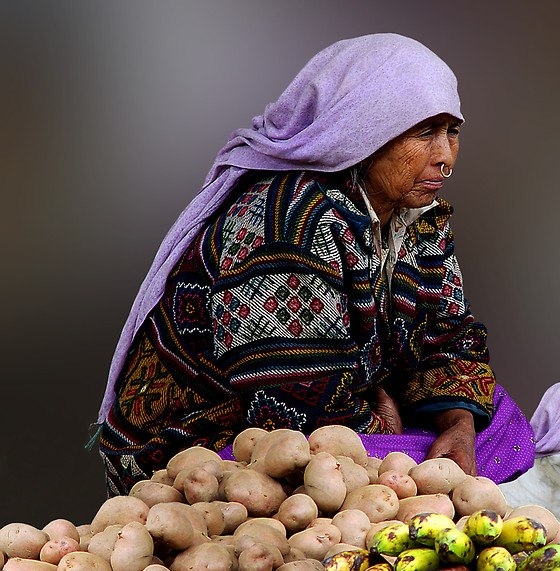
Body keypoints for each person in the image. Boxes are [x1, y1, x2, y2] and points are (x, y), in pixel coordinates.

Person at [93, 33, 535, 495]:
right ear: (365, 130)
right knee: (322, 467)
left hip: (348, 401)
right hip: (208, 440)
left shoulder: (420, 218)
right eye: (425, 132)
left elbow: (450, 336)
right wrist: (382, 419)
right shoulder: (286, 218)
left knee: (497, 419)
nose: (444, 157)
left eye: (453, 132)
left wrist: (458, 425)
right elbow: (288, 394)